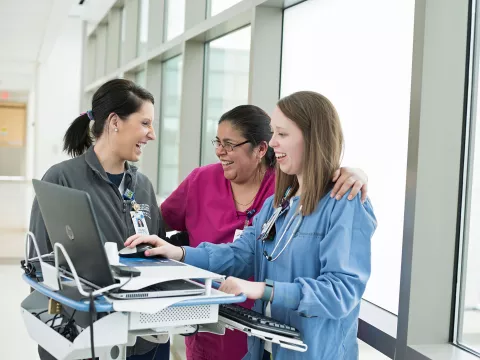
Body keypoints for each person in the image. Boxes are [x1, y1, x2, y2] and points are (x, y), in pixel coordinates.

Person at [148, 102, 372, 359]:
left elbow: (340, 293)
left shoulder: (344, 204)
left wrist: (263, 289)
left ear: (312, 138)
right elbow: (242, 254)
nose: (273, 142)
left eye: (283, 134)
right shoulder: (278, 203)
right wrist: (179, 254)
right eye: (273, 133)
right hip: (263, 349)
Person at [28, 79, 169, 360]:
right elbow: (38, 264)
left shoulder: (142, 186)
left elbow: (158, 254)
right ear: (115, 122)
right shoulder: (62, 180)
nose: (152, 134)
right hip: (84, 339)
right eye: (145, 123)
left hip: (142, 339)